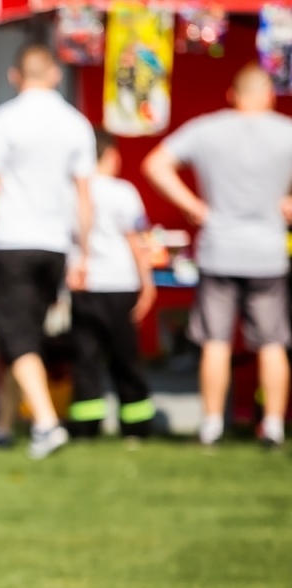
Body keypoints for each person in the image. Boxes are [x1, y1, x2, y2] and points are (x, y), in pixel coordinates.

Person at [143, 65, 292, 449]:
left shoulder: (207, 129)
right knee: (273, 342)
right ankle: (273, 425)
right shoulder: (285, 132)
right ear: (269, 96)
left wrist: (194, 207)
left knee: (215, 342)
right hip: (268, 254)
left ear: (232, 94)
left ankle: (211, 424)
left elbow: (155, 165)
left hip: (219, 250)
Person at [0, 43, 97, 460]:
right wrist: (83, 254)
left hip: (12, 242)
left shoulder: (4, 120)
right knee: (22, 337)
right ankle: (2, 424)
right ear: (56, 74)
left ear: (14, 76)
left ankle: (45, 422)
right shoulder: (77, 123)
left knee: (17, 336)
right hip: (55, 244)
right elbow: (84, 196)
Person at [66, 130, 158, 440]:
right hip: (121, 283)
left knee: (85, 357)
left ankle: (86, 425)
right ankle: (135, 425)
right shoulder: (123, 192)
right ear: (113, 156)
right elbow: (136, 241)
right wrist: (147, 283)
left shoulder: (73, 192)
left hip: (85, 284)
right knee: (125, 358)